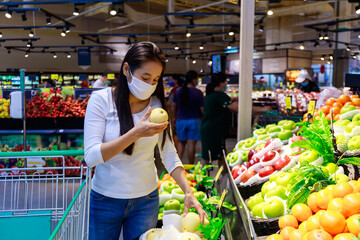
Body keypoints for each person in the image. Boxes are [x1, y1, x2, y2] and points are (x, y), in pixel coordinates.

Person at [84, 42, 205, 240]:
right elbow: (91, 157)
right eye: (145, 77)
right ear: (126, 69)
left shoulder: (157, 106)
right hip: (105, 199)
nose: (150, 85)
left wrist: (188, 191)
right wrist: (135, 133)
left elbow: (168, 153)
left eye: (155, 79)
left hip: (146, 201)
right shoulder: (101, 101)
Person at [200, 73, 238, 165]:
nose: (226, 84)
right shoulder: (219, 95)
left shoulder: (210, 94)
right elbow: (235, 108)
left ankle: (222, 176)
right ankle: (221, 177)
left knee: (212, 155)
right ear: (220, 83)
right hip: (214, 130)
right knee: (214, 156)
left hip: (209, 129)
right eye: (225, 81)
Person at [172, 70, 204, 165]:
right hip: (194, 120)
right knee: (191, 144)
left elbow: (173, 106)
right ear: (193, 80)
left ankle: (177, 166)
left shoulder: (178, 91)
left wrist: (173, 118)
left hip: (180, 120)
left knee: (181, 143)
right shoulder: (198, 92)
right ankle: (190, 167)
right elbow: (202, 109)